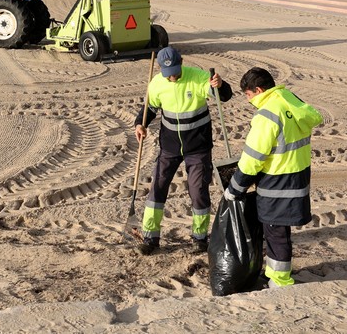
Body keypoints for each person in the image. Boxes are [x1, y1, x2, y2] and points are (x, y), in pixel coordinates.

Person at [225, 67, 323, 288]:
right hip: (297, 175)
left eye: (249, 95)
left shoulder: (267, 114)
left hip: (276, 181)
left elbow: (253, 158)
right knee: (279, 230)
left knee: (275, 232)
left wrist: (235, 187)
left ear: (258, 90)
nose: (249, 101)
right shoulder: (289, 101)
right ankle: (274, 273)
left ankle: (280, 281)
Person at [134, 46, 232, 254]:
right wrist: (139, 124)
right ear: (161, 69)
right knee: (157, 187)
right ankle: (150, 237)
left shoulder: (199, 77)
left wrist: (220, 85)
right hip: (169, 147)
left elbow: (224, 96)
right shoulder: (156, 83)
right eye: (168, 74)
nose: (172, 77)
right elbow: (149, 109)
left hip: (198, 147)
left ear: (182, 63)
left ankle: (199, 237)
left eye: (176, 71)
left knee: (198, 191)